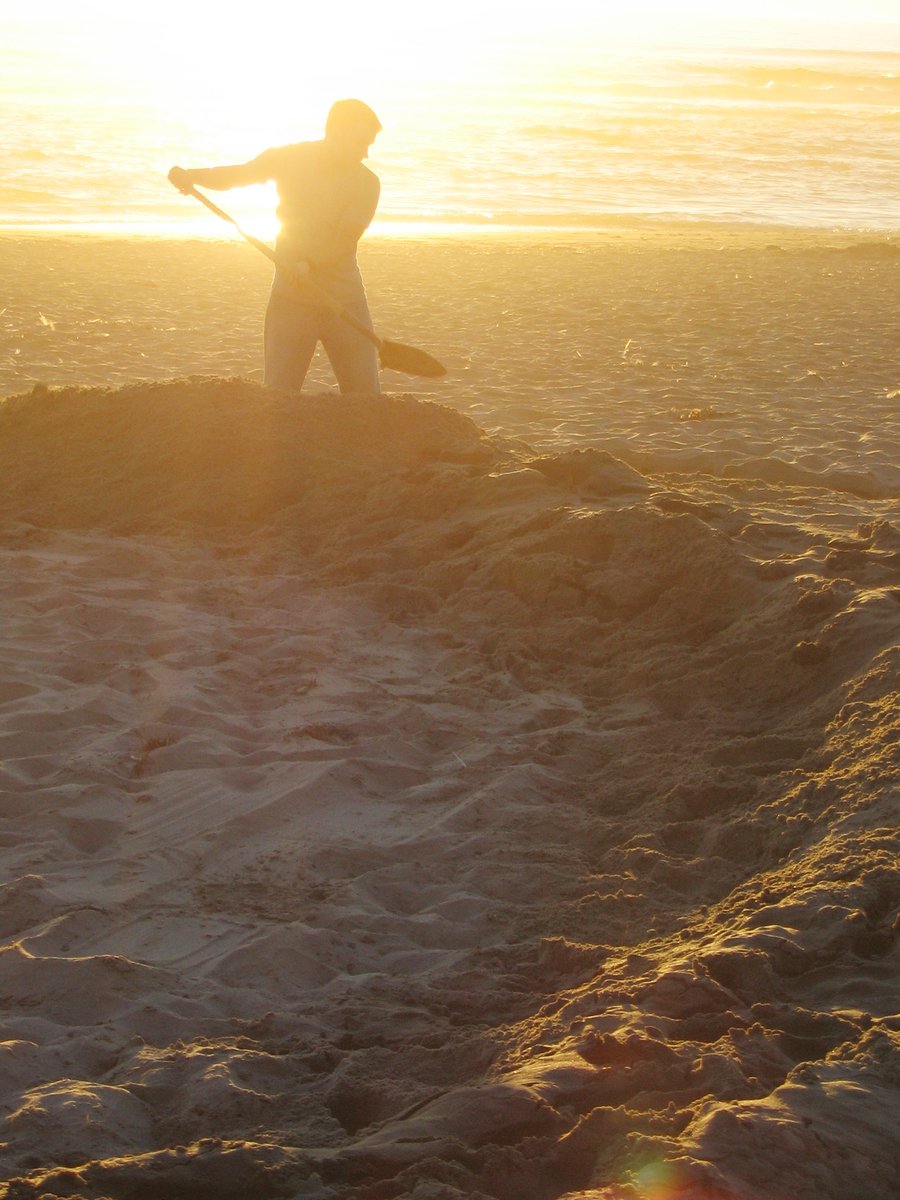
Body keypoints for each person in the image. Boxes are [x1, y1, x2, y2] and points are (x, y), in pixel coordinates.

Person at [169, 99, 382, 394]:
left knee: (366, 398)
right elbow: (238, 175)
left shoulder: (368, 183)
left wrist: (309, 264)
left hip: (345, 302)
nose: (366, 152)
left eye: (369, 144)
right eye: (361, 142)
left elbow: (345, 241)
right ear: (336, 131)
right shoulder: (288, 158)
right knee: (279, 397)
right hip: (291, 300)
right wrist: (193, 176)